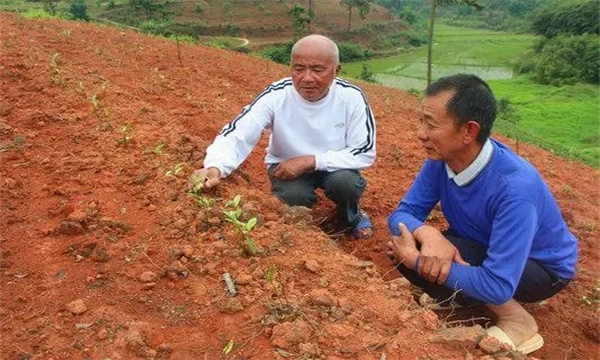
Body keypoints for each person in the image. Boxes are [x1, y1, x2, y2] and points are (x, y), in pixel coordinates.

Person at [385, 74, 577, 354]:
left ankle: (518, 320)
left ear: (469, 132)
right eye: (421, 121)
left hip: (540, 268)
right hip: (483, 245)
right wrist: (428, 232)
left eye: (431, 124)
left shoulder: (514, 188)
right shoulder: (443, 159)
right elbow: (403, 213)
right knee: (406, 240)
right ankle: (464, 294)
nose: (420, 133)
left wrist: (417, 261)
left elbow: (498, 285)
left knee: (414, 255)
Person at [193, 34, 376, 239]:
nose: (306, 78)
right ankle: (306, 233)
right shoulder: (277, 94)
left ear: (336, 70)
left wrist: (310, 161)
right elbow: (240, 130)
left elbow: (364, 151)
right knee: (293, 196)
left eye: (317, 70)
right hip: (286, 166)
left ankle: (351, 216)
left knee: (346, 184)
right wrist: (216, 165)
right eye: (299, 69)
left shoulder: (351, 97)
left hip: (334, 166)